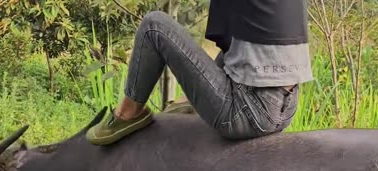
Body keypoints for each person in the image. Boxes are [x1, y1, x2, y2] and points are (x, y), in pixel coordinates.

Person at [86, 0, 313, 145]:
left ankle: (127, 114)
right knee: (244, 41)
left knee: (153, 25)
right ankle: (190, 103)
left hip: (247, 111)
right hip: (287, 105)